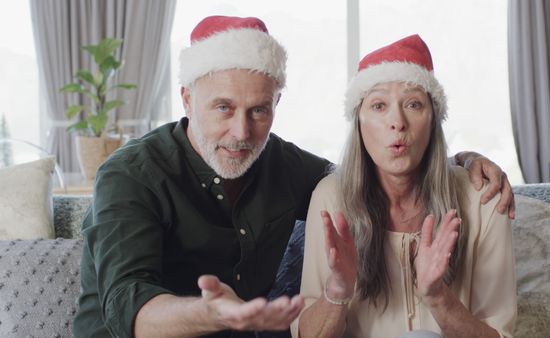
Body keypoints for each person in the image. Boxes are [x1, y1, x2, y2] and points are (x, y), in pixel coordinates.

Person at [73, 16, 515, 338]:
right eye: (223, 107)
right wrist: (215, 315)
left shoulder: (288, 168)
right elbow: (128, 307)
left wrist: (459, 158)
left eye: (259, 111)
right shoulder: (131, 176)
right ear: (187, 99)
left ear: (275, 105)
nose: (242, 132)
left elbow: (377, 170)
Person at [294, 35, 517, 338]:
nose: (397, 122)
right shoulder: (330, 197)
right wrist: (338, 289)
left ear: (433, 120)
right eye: (378, 105)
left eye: (413, 104)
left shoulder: (483, 199)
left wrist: (438, 297)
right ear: (358, 122)